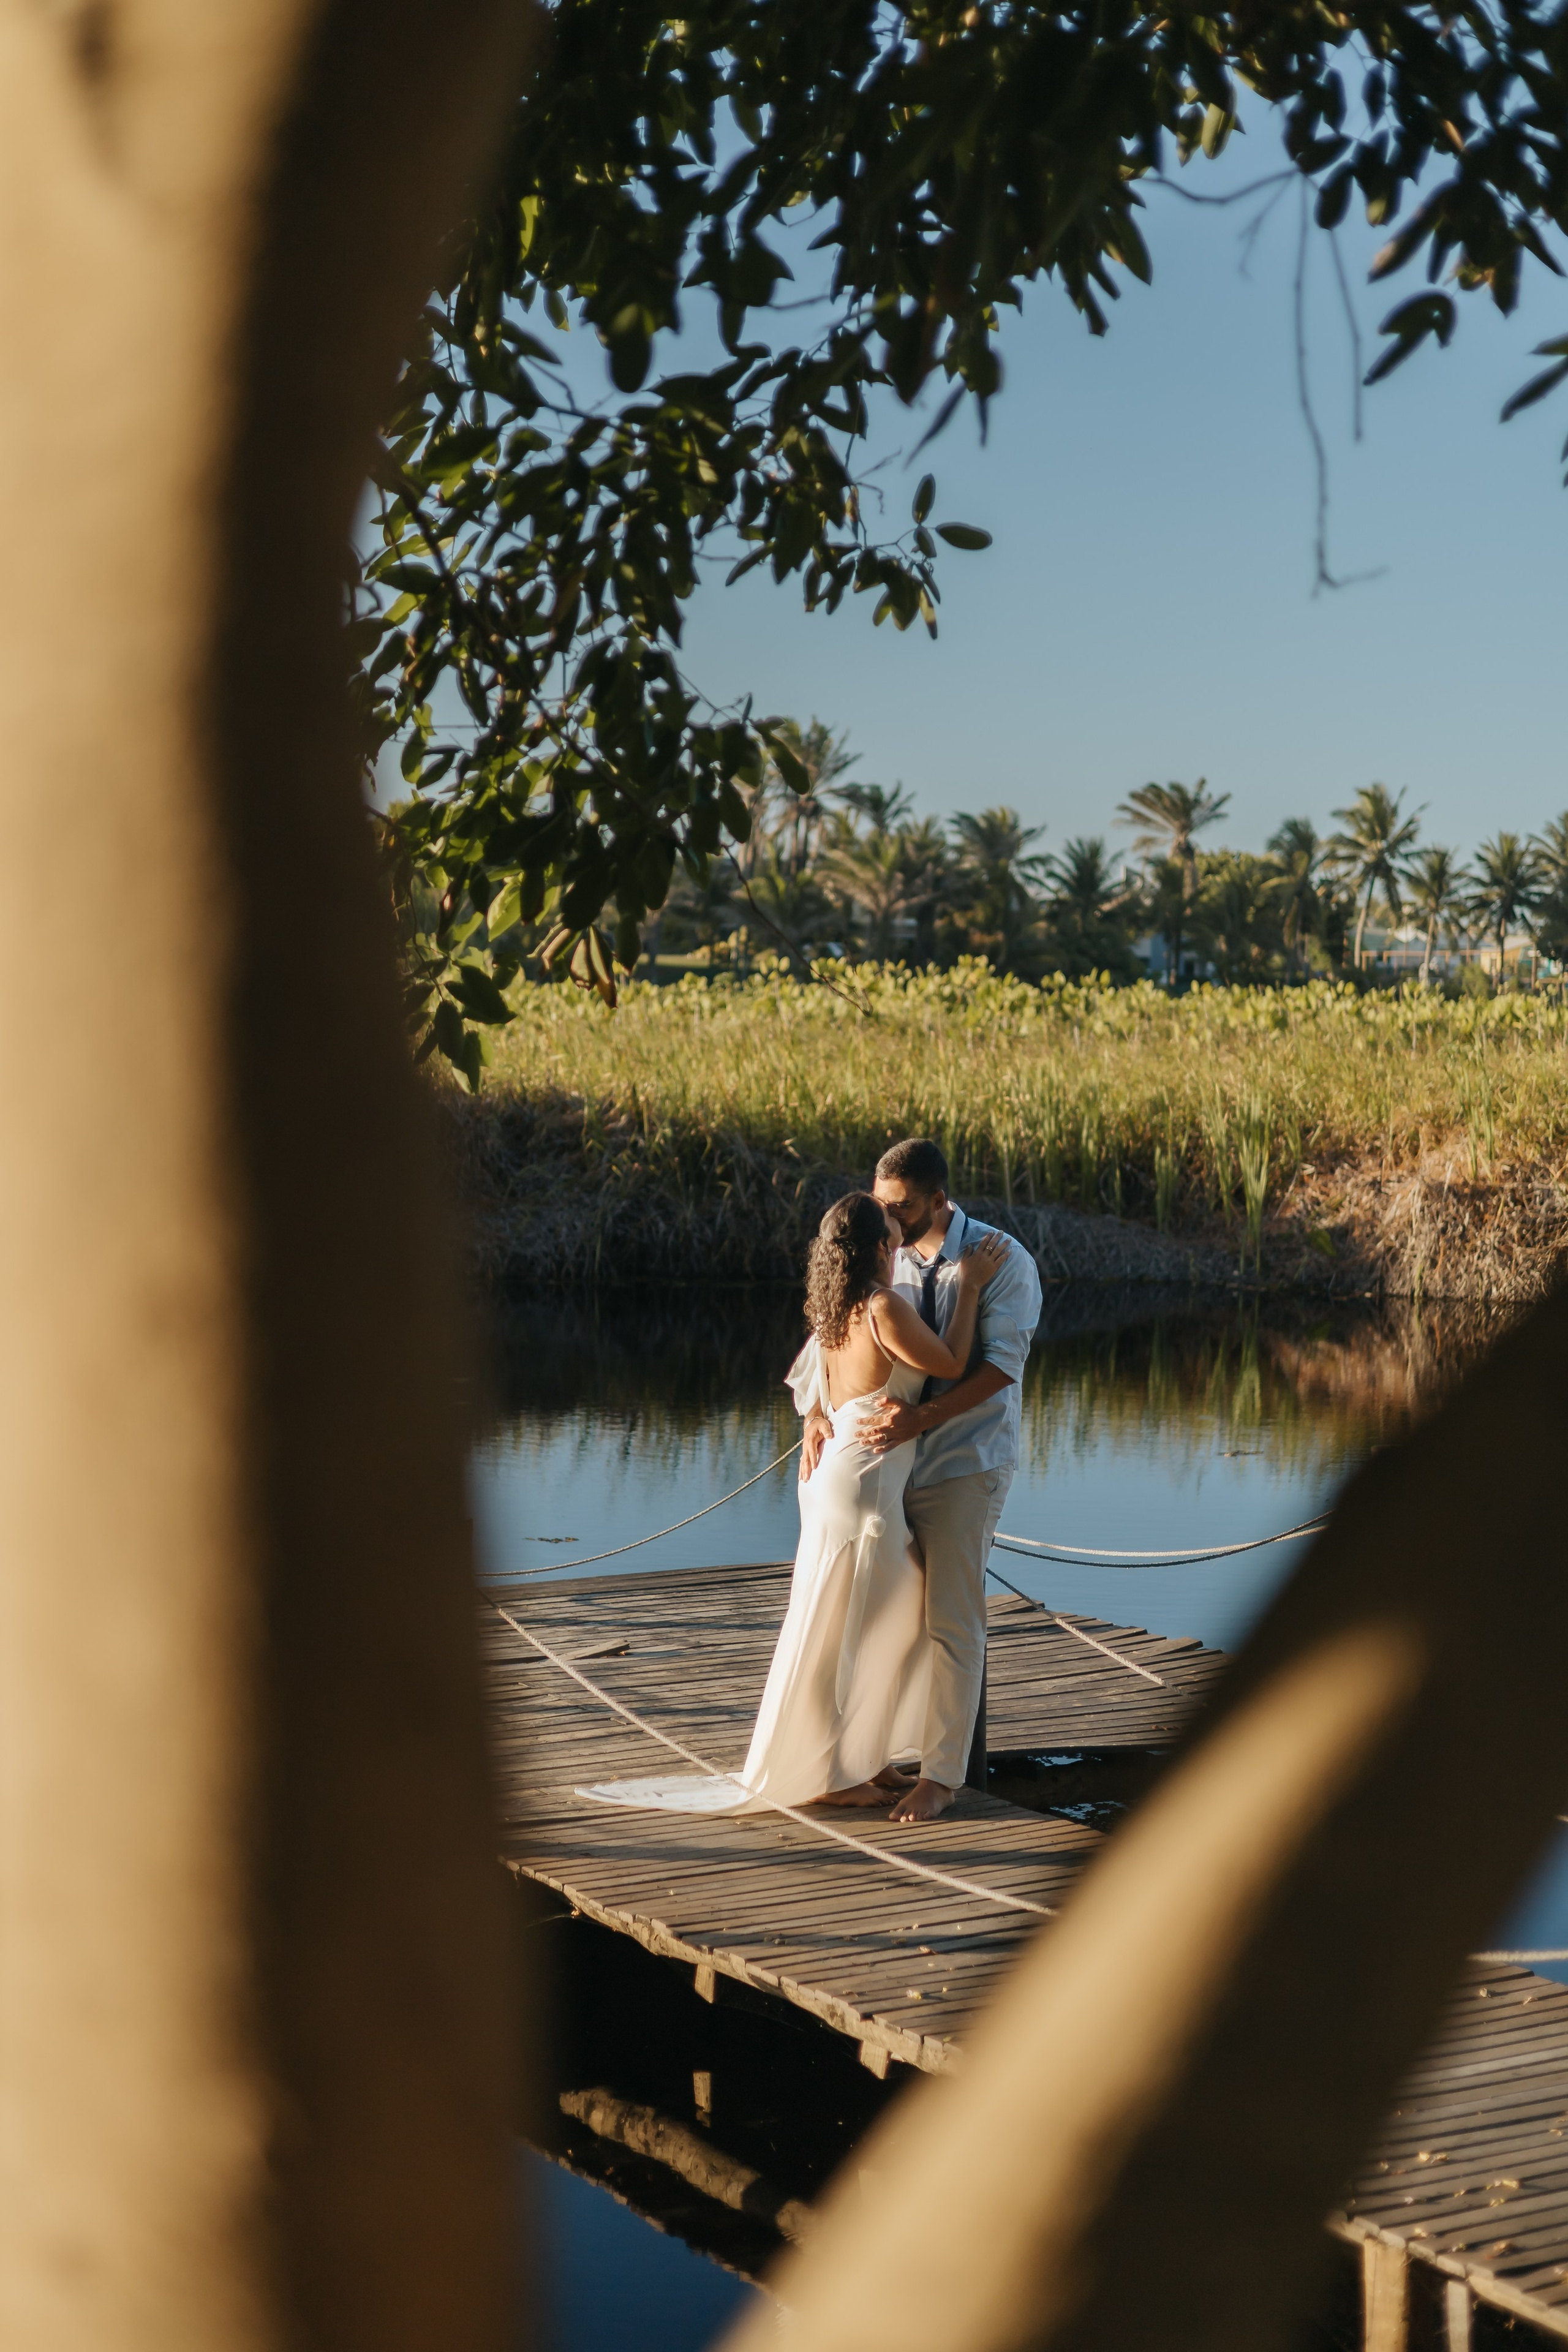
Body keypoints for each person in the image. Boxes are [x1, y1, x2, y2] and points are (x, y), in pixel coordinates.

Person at [577, 1190, 1004, 1815]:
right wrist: (969, 1286)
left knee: (865, 1618)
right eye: (891, 1236)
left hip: (840, 1477)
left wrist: (814, 1416)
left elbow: (815, 1386)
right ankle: (831, 1774)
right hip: (863, 1484)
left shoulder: (836, 1307)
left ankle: (861, 1754)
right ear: (877, 1249)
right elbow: (954, 1361)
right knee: (863, 1622)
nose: (898, 1245)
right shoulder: (883, 1305)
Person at [800, 1139, 1042, 1823]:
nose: (890, 1217)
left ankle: (940, 1777)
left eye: (902, 1206)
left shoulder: (1002, 1260)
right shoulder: (882, 1251)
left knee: (951, 1622)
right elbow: (824, 1343)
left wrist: (921, 1420)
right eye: (882, 1204)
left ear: (939, 1200)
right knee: (885, 1616)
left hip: (962, 1462)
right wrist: (815, 1412)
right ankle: (866, 1757)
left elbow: (999, 1368)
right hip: (882, 1470)